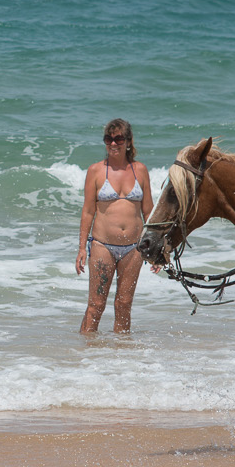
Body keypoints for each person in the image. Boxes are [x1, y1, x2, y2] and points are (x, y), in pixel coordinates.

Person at [76, 117, 153, 334]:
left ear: (128, 141)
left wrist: (158, 249)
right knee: (96, 306)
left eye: (118, 139)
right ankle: (85, 355)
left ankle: (120, 360)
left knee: (123, 305)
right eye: (108, 139)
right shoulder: (96, 171)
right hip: (102, 246)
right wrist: (82, 247)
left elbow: (149, 211)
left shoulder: (141, 170)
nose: (113, 144)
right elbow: (88, 211)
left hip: (134, 249)